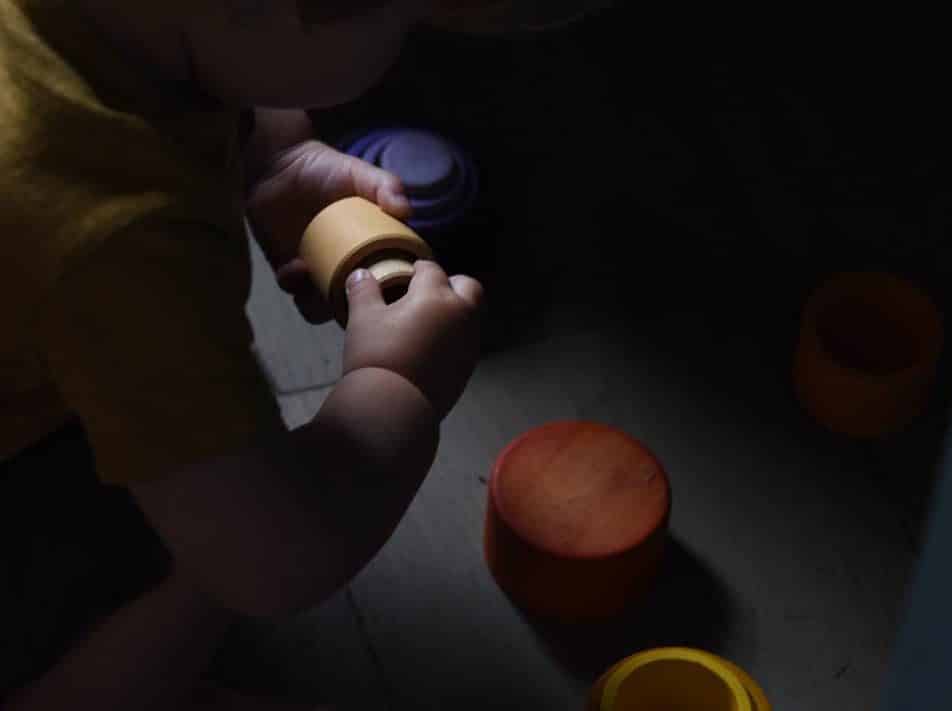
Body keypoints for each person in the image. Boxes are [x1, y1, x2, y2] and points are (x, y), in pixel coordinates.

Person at [0, 1, 615, 708]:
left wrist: (276, 154)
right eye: (407, 20)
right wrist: (397, 384)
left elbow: (211, 47)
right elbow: (271, 562)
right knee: (226, 525)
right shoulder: (111, 234)